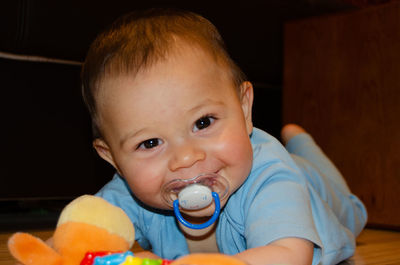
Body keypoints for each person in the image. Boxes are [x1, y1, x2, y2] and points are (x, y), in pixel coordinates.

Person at [81, 9, 367, 265]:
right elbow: (80, 235)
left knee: (352, 211)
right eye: (150, 143)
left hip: (305, 181)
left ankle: (301, 140)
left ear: (244, 110)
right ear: (113, 158)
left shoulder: (271, 176)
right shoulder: (128, 193)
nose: (186, 158)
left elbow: (289, 255)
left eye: (203, 122)